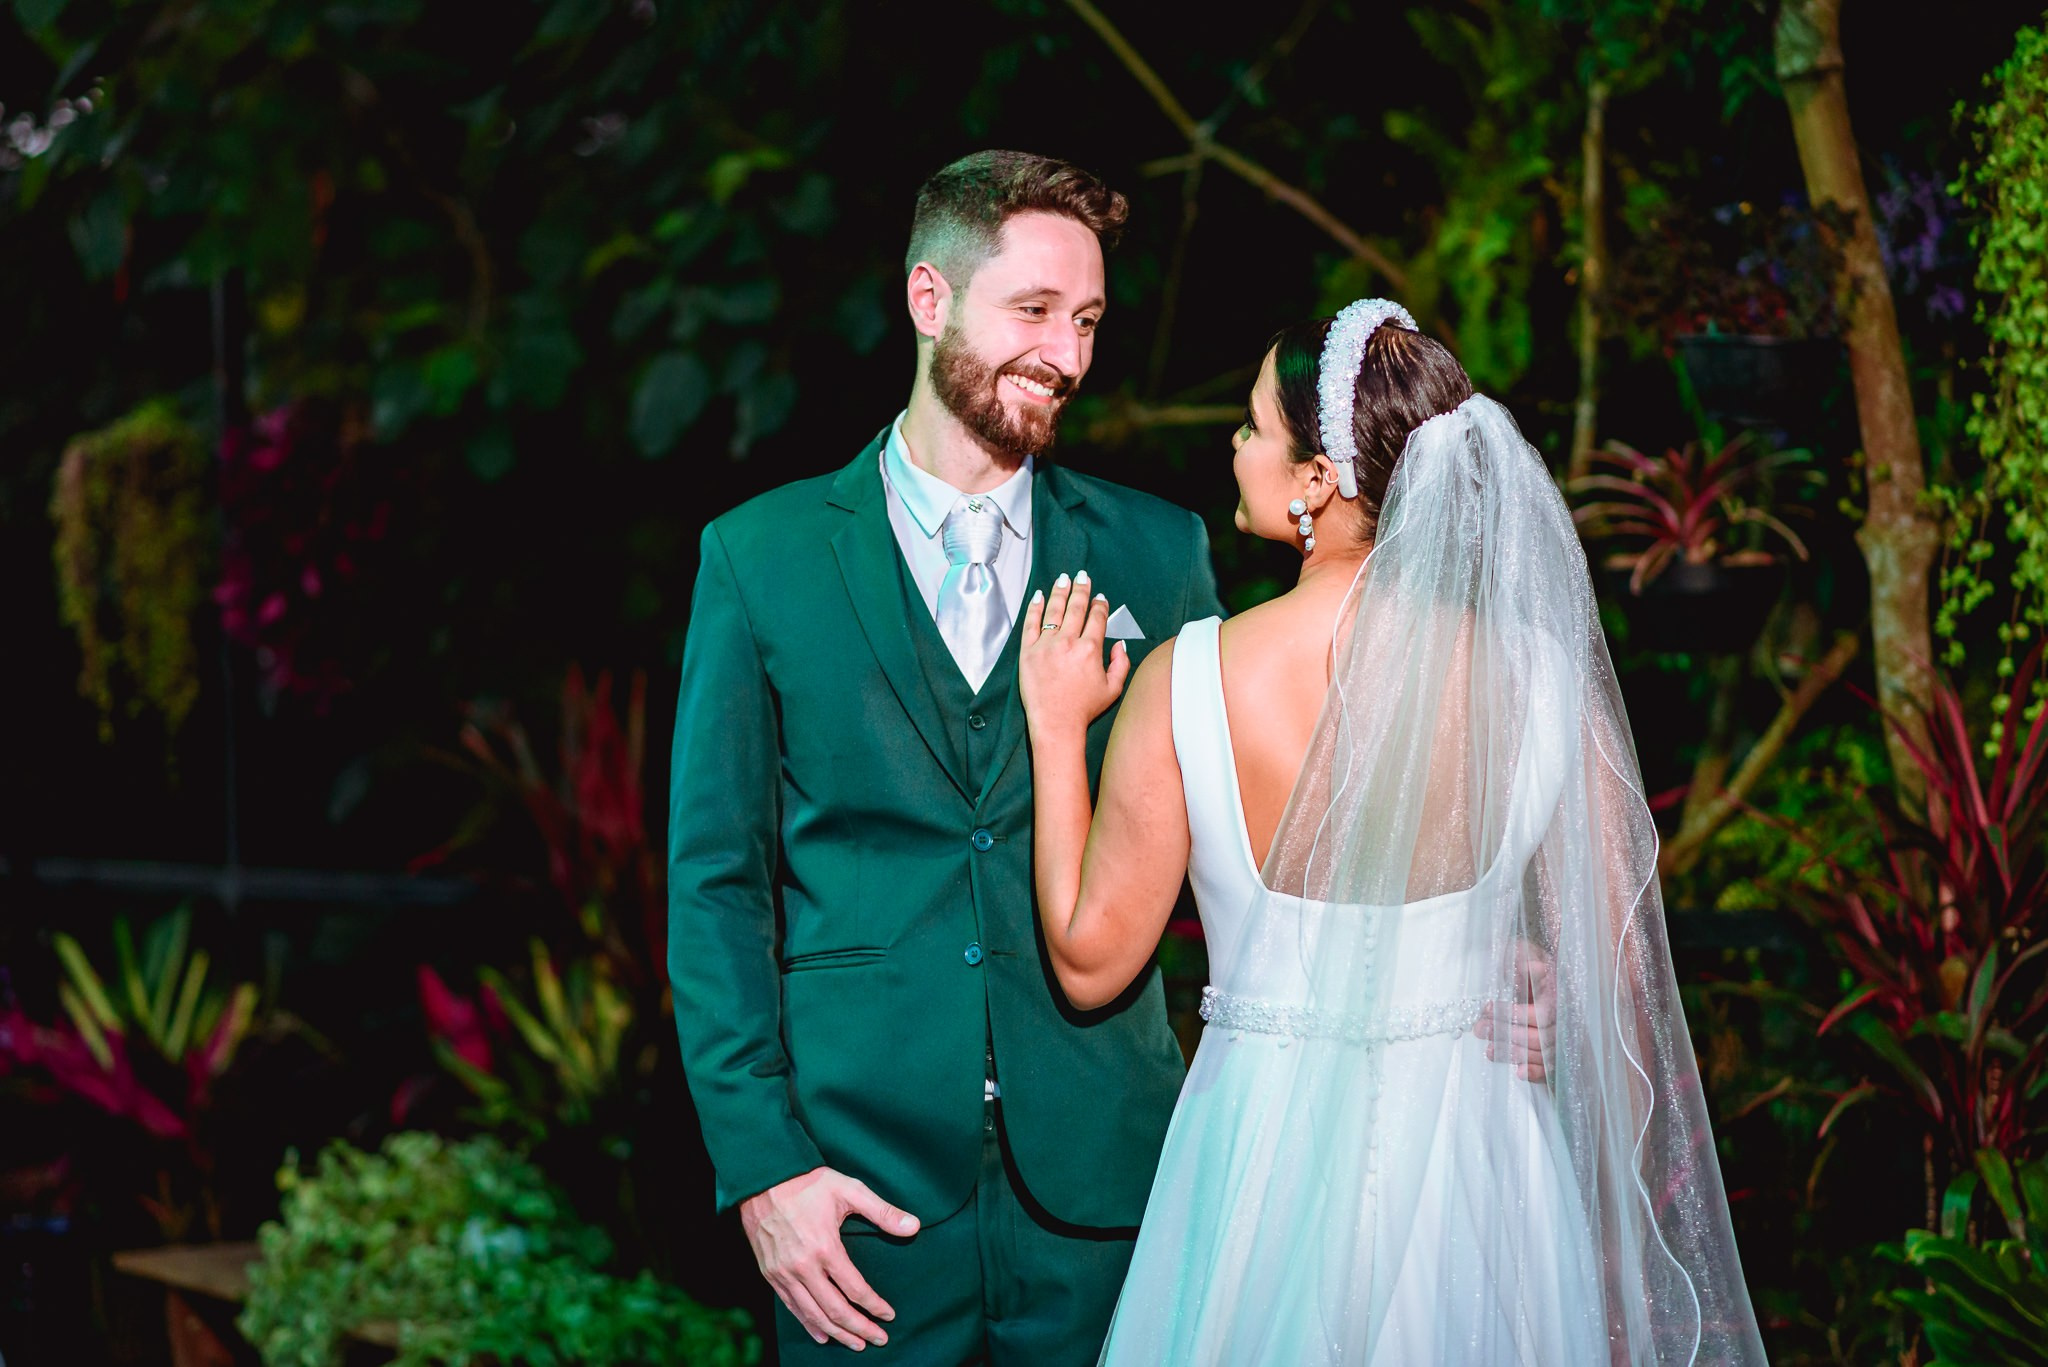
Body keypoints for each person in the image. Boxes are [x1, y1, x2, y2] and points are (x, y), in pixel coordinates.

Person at [1020, 300, 1767, 1364]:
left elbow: (1089, 960)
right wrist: (1537, 983)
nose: (1232, 449)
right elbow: (1615, 970)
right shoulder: (1537, 676)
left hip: (1263, 1173)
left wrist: (1055, 731)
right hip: (1483, 1164)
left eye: (1249, 429)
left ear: (1316, 480)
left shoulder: (1190, 678)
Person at [666, 149, 1226, 1364]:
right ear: (929, 298)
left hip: (1107, 1189)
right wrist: (766, 1170)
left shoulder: (1157, 553)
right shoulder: (757, 559)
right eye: (1032, 311)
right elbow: (715, 888)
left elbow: (1246, 833)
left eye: (1084, 320)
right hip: (857, 1205)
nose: (1065, 355)